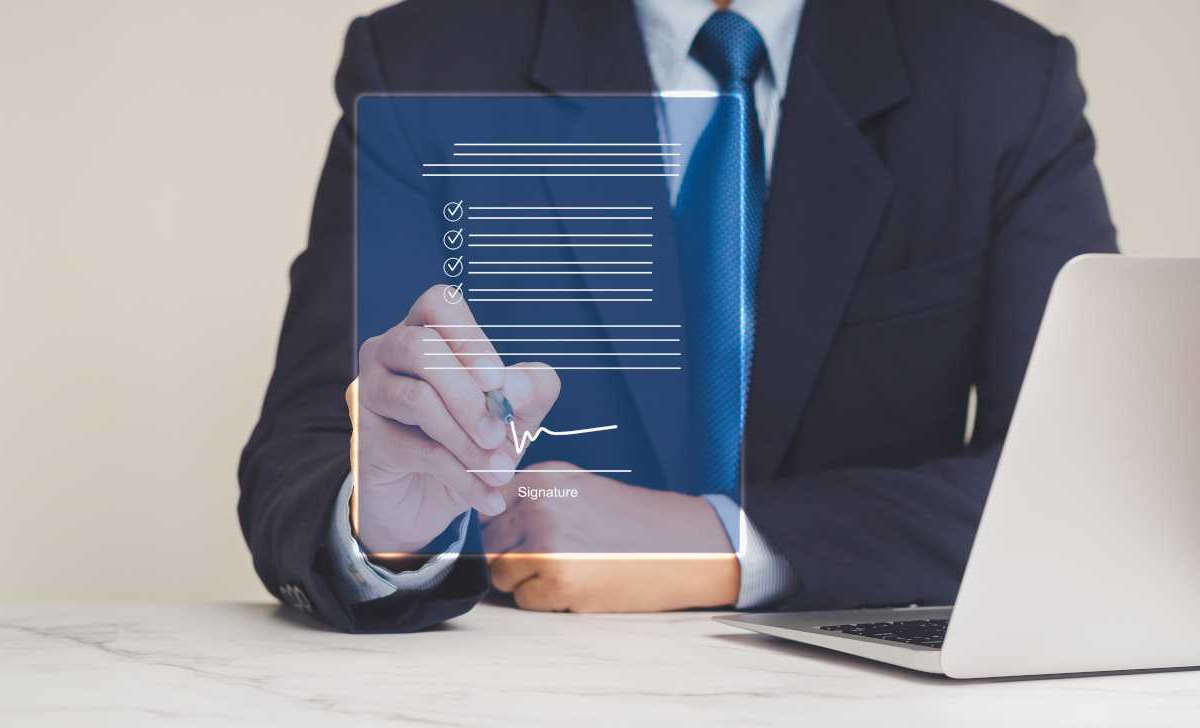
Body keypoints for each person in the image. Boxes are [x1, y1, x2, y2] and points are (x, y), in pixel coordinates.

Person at [238, 0, 1116, 632]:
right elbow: (307, 452)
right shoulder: (424, 60)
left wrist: (722, 543)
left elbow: (1084, 490)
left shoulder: (1004, 84)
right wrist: (390, 529)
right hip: (516, 687)